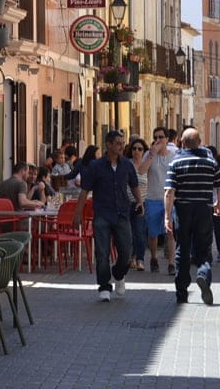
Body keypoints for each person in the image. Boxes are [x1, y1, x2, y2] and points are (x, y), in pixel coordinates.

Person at [71, 130, 142, 302]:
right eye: (118, 143)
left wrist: (140, 201)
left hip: (122, 213)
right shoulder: (95, 166)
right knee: (102, 253)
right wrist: (78, 212)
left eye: (122, 143)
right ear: (108, 145)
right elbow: (85, 190)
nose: (121, 146)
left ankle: (118, 274)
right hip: (102, 213)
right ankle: (104, 286)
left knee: (126, 251)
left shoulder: (127, 165)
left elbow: (134, 185)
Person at [164, 128, 220, 305]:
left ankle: (181, 293)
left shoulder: (176, 162)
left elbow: (169, 191)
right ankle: (203, 274)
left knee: (182, 250)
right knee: (203, 248)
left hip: (182, 210)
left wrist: (167, 216)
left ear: (182, 143)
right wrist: (219, 204)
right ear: (199, 143)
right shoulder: (210, 162)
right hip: (204, 209)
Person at [138, 127, 177, 275]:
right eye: (155, 137)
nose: (158, 140)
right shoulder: (149, 154)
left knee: (170, 232)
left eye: (161, 137)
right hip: (153, 198)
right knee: (153, 233)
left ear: (167, 139)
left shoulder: (173, 156)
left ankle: (171, 263)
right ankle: (153, 258)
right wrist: (151, 155)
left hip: (170, 200)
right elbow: (141, 170)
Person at [125, 138, 149, 271]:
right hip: (127, 203)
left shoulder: (146, 166)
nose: (137, 151)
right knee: (129, 233)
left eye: (140, 149)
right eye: (134, 148)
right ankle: (131, 257)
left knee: (139, 232)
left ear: (143, 151)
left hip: (141, 204)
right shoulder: (126, 164)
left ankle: (140, 259)